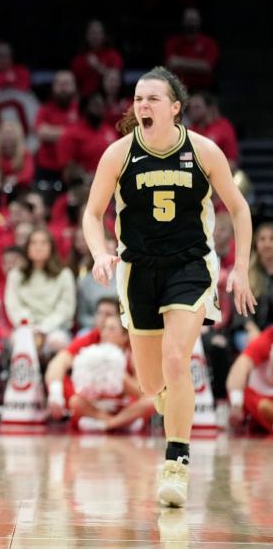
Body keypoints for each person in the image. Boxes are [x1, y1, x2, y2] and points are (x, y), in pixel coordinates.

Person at [82, 66, 255, 508]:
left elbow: (238, 209)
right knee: (151, 382)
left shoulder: (203, 151)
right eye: (138, 99)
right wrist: (101, 252)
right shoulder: (119, 154)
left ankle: (176, 462)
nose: (143, 106)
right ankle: (169, 401)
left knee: (178, 359)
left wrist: (239, 267)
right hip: (138, 271)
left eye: (153, 99)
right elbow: (92, 213)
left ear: (175, 108)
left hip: (190, 266)